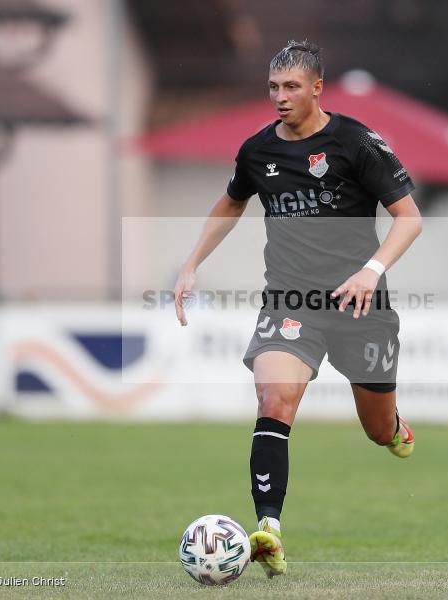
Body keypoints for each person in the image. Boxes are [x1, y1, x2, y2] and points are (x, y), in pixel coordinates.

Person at [172, 40, 422, 577]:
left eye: (291, 86)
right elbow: (232, 201)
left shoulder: (357, 142)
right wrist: (192, 262)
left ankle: (394, 426)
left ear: (317, 88)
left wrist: (371, 270)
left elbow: (410, 218)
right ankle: (269, 530)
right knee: (275, 397)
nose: (280, 97)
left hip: (361, 304)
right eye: (273, 87)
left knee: (377, 429)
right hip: (290, 300)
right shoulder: (257, 150)